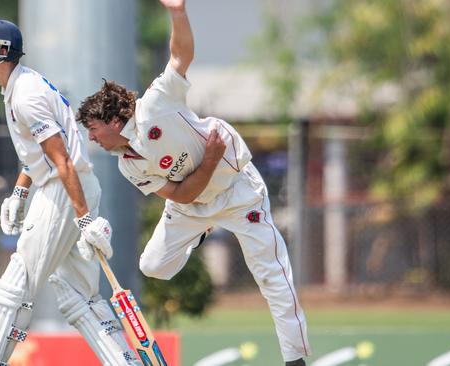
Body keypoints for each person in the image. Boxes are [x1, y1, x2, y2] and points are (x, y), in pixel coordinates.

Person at [76, 1, 312, 365]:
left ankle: (295, 360)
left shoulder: (156, 104)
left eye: (92, 129)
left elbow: (180, 55)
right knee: (153, 266)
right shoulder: (127, 165)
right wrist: (209, 162)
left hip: (238, 192)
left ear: (111, 119)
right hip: (192, 200)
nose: (91, 138)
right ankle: (202, 230)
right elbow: (182, 193)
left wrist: (177, 12)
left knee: (273, 278)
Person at [0, 19, 141, 366]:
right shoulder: (20, 86)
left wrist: (84, 217)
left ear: (2, 51)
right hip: (69, 187)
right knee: (78, 294)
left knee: (17, 283)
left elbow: (62, 161)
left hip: (64, 191)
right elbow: (39, 157)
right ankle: (125, 362)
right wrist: (19, 193)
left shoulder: (26, 95)